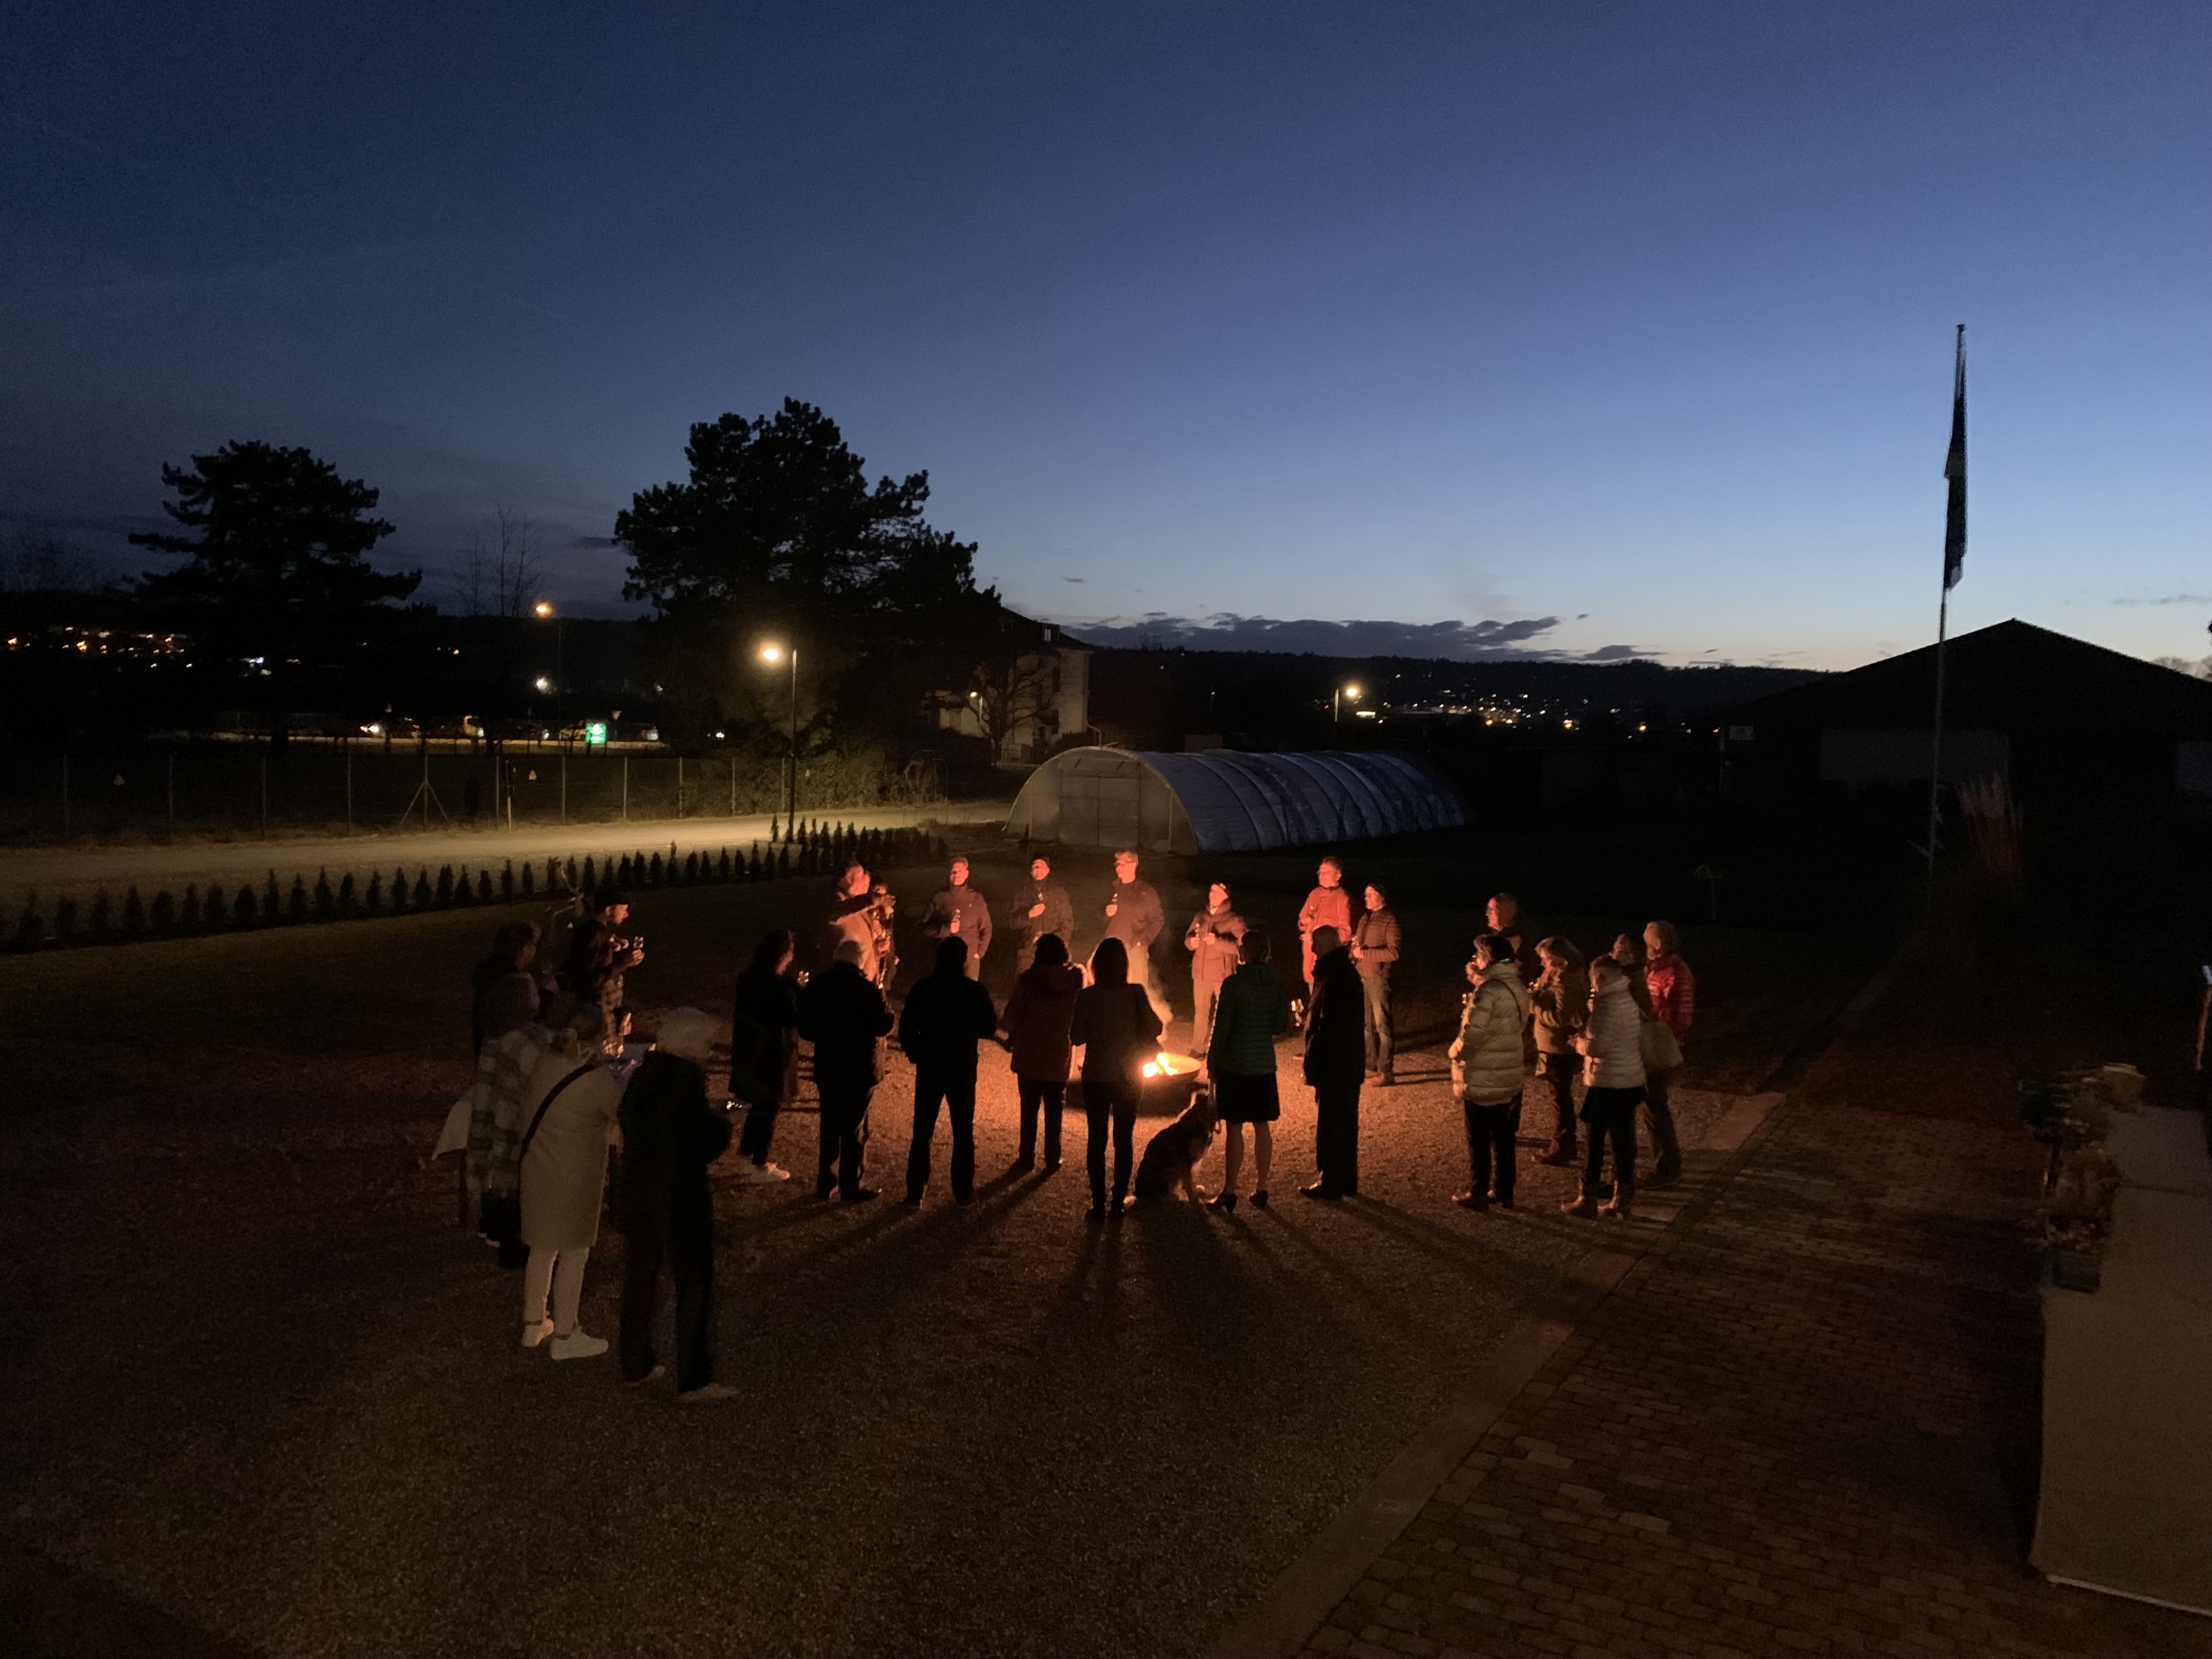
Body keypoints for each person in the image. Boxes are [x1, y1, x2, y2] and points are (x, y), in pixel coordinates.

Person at [616, 1007, 735, 1402]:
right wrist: (724, 1126)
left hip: (640, 1192)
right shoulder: (685, 1081)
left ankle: (635, 1363)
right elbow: (698, 1142)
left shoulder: (644, 1074)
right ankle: (694, 1378)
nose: (709, 1052)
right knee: (694, 1283)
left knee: (641, 1278)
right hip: (677, 1197)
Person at [518, 1005, 623, 1359]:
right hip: (574, 1176)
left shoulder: (545, 1062)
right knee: (575, 1253)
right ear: (598, 1037)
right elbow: (618, 1114)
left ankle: (534, 1322)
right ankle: (566, 1334)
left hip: (537, 1167)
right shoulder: (594, 1078)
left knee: (543, 1248)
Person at [899, 938, 1000, 1204]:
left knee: (923, 1130)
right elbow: (989, 1028)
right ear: (963, 960)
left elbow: (907, 1028)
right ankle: (964, 1191)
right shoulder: (974, 992)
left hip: (930, 1065)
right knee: (963, 1130)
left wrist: (916, 1053)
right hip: (962, 1067)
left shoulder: (923, 989)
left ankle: (915, 1192)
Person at [1070, 936, 1162, 1221]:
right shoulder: (1135, 993)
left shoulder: (1088, 996)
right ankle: (1118, 1203)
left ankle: (1098, 1204)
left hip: (1097, 1074)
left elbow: (1077, 1037)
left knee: (1096, 1140)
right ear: (1124, 965)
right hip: (1129, 1076)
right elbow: (1156, 1027)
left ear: (1096, 965)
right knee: (1124, 1139)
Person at [795, 938, 893, 1201]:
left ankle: (826, 1182)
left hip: (829, 1065)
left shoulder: (818, 986)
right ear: (860, 961)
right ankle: (851, 1186)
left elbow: (805, 1028)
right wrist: (881, 993)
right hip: (860, 1069)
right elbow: (885, 1025)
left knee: (829, 1124)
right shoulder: (867, 990)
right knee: (854, 1128)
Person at [1206, 929, 1289, 1212]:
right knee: (1262, 1125)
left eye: (1242, 946)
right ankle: (1262, 1187)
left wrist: (1212, 1060)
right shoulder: (1275, 985)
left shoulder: (1234, 985)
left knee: (1234, 1128)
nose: (1239, 950)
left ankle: (1230, 1191)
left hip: (1236, 1065)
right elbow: (1279, 1026)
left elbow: (1222, 1028)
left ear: (1247, 952)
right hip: (1263, 1065)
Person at [1449, 931, 1531, 1210]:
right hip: (1507, 1069)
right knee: (1504, 1137)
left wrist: (1455, 1053)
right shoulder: (1515, 985)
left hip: (1484, 1072)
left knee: (1479, 1139)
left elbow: (1473, 1034)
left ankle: (1479, 1191)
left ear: (1487, 958)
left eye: (1479, 955)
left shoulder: (1489, 991)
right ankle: (1505, 1190)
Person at [1565, 956, 1646, 1220]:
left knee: (1595, 1141)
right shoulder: (1625, 999)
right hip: (1629, 1078)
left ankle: (1587, 1197)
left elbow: (1598, 1047)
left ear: (1598, 978)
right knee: (1623, 1140)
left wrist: (1578, 1043)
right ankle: (1622, 1199)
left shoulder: (1607, 1006)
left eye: (1592, 978)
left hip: (1608, 1081)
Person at [1002, 932, 1082, 1172]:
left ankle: (1026, 1158)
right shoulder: (1076, 980)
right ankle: (1053, 1157)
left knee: (1029, 1111)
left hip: (1030, 1055)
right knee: (1055, 1110)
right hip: (1058, 1056)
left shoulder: (1029, 980)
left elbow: (1011, 1017)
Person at [730, 928, 800, 1185]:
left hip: (751, 1052)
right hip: (772, 1055)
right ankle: (759, 1163)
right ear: (783, 955)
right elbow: (792, 1018)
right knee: (768, 1108)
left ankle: (747, 1154)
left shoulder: (749, 978)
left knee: (759, 1106)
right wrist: (798, 992)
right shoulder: (778, 986)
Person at [1300, 925, 1365, 1200]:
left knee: (1331, 1123)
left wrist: (1313, 1059)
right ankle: (1346, 1179)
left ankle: (1331, 1181)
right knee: (1346, 1123)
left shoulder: (1334, 976)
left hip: (1335, 1063)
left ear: (1327, 943)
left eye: (1316, 943)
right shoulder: (1342, 973)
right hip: (1347, 1062)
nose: (1312, 948)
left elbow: (1328, 1026)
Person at [1640, 920, 1695, 1189]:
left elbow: (1681, 1018)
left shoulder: (1676, 974)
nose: (1644, 946)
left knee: (1656, 1107)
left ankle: (1668, 1169)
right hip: (1651, 1042)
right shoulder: (1656, 969)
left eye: (1647, 941)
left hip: (1660, 1047)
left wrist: (1662, 1035)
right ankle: (1663, 1162)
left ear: (1658, 944)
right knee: (1651, 1107)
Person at [1529, 936, 1589, 1166]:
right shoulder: (1556, 977)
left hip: (1559, 1048)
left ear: (1561, 960)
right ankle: (1565, 1143)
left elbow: (1561, 1019)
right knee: (1559, 1097)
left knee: (1560, 1099)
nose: (1543, 964)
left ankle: (1562, 1146)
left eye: (1546, 960)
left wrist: (1534, 1006)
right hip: (1553, 1046)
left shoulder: (1567, 983)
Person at [1101, 849, 1169, 1025]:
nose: (1118, 868)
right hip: (1112, 949)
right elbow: (1098, 915)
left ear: (1134, 864)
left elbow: (1158, 920)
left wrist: (1142, 940)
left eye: (1123, 863)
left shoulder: (1146, 892)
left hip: (1135, 949)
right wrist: (1106, 913)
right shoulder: (1112, 888)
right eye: (1117, 864)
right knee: (1111, 989)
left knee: (1137, 989)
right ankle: (1113, 1026)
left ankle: (1139, 1028)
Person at [1182, 881, 1245, 1059]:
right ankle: (1198, 1049)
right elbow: (1188, 937)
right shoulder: (1201, 916)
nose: (1213, 895)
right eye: (1212, 891)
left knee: (1225, 1013)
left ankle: (1227, 1049)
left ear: (1226, 896)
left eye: (1218, 892)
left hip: (1221, 974)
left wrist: (1217, 942)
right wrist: (1191, 943)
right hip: (1200, 972)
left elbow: (1243, 947)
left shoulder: (1234, 919)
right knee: (1200, 1013)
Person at [567, 885, 643, 1023]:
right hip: (599, 1010)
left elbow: (600, 962)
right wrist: (624, 963)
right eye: (624, 910)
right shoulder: (594, 935)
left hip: (605, 1007)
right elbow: (592, 979)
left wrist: (625, 958)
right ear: (609, 910)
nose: (626, 915)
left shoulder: (598, 931)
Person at [1350, 883, 1401, 1084]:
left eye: (1371, 894)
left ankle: (1386, 1071)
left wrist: (1365, 954)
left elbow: (1393, 953)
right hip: (1363, 977)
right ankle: (1370, 1066)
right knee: (1366, 1025)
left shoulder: (1390, 920)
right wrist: (1355, 952)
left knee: (1383, 1026)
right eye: (1366, 895)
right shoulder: (1365, 918)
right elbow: (1358, 945)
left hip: (1379, 979)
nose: (1367, 898)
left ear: (1382, 896)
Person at [471, 920, 542, 1056]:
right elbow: (528, 1018)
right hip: (507, 1051)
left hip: (485, 1045)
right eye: (533, 945)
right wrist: (547, 993)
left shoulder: (487, 970)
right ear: (524, 949)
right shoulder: (516, 984)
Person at [921, 856, 992, 980]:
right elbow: (923, 927)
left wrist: (980, 952)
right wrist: (946, 930)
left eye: (960, 871)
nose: (956, 874)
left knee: (969, 992)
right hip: (946, 960)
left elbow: (987, 927)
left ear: (967, 874)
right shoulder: (939, 898)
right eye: (953, 871)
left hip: (970, 961)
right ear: (949, 874)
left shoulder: (976, 898)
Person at [1297, 857, 1356, 988]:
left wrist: (1317, 939)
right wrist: (1304, 922)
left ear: (1338, 876)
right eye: (1320, 873)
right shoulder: (1314, 894)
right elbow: (1301, 922)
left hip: (1329, 965)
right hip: (1310, 963)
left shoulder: (1343, 899)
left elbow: (1346, 933)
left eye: (1326, 873)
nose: (1321, 876)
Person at [1009, 855, 1074, 973]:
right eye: (1035, 867)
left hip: (1053, 953)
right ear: (1031, 872)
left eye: (1042, 866)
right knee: (1025, 982)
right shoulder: (1022, 893)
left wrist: (1054, 943)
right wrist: (1028, 916)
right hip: (1028, 952)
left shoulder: (1059, 893)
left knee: (1051, 982)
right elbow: (1011, 922)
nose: (1038, 869)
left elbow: (1067, 924)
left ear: (1048, 870)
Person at [823, 863, 884, 983]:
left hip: (863, 983)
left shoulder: (858, 909)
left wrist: (876, 950)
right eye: (861, 876)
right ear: (848, 879)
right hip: (846, 984)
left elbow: (862, 946)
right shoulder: (839, 902)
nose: (866, 879)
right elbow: (835, 914)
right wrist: (869, 900)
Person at [1487, 893, 1538, 979]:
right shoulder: (1494, 933)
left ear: (1509, 912)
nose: (1488, 914)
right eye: (1489, 909)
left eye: (1494, 910)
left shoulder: (1517, 936)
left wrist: (1487, 968)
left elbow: (1507, 961)